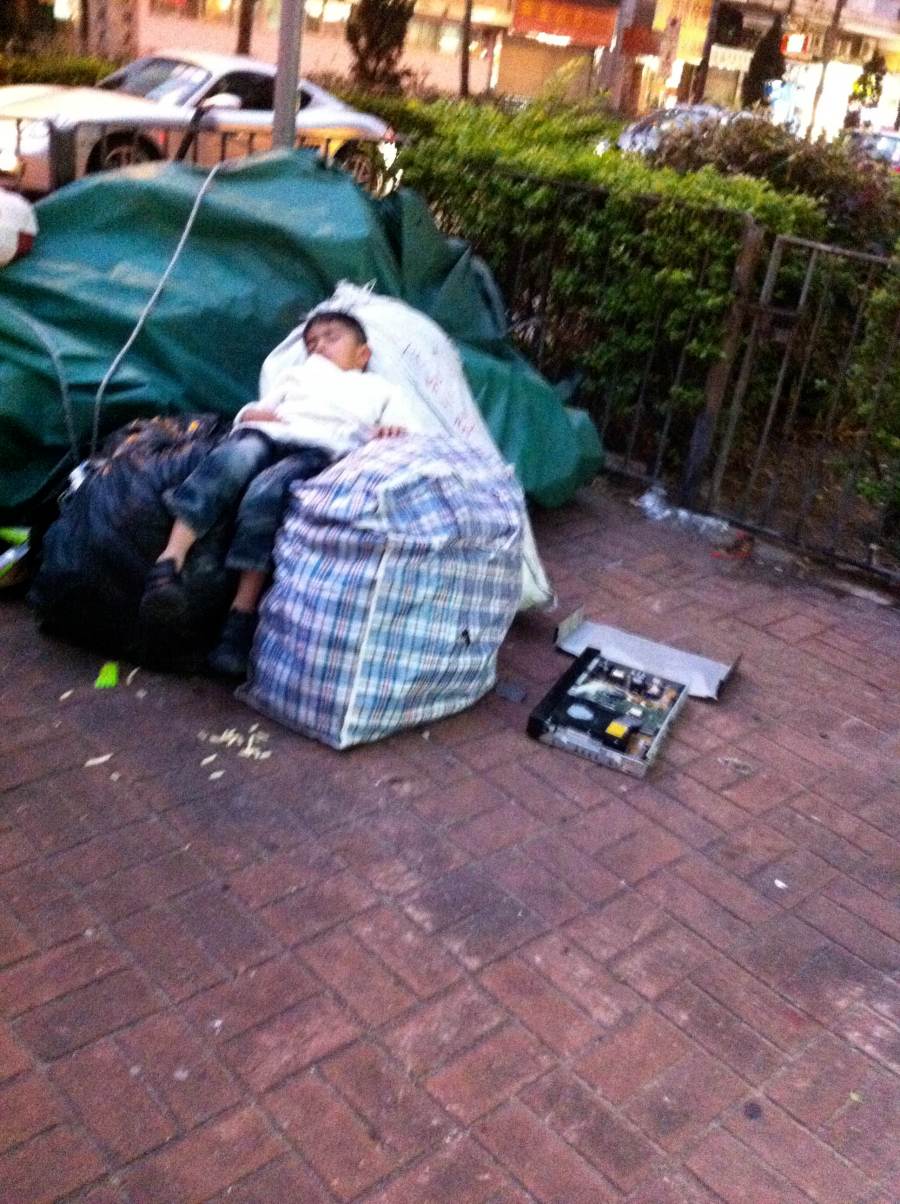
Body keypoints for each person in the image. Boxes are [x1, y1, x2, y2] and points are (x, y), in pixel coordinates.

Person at [139, 311, 408, 676]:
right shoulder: (297, 376)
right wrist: (255, 415)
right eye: (311, 342)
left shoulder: (379, 389)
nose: (319, 347)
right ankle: (167, 565)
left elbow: (400, 427)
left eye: (331, 337)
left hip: (317, 449)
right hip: (270, 435)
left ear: (362, 354)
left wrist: (389, 429)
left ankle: (241, 617)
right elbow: (257, 409)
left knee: (264, 495)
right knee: (231, 460)